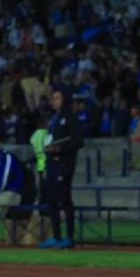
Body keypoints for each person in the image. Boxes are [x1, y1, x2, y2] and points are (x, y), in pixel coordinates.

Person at [40, 88, 82, 249]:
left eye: (58, 97)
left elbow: (79, 142)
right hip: (52, 165)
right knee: (51, 201)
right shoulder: (54, 119)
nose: (54, 101)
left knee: (64, 200)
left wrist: (60, 149)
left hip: (64, 165)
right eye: (53, 98)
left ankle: (69, 237)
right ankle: (57, 236)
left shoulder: (70, 118)